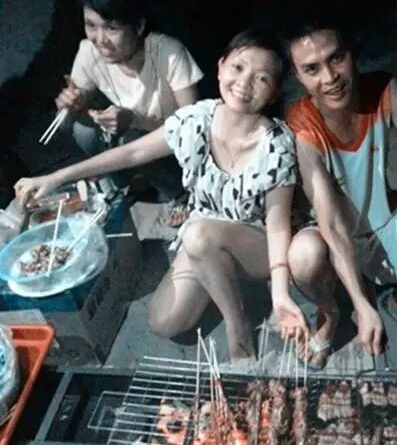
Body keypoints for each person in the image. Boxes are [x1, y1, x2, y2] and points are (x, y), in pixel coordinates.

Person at [15, 27, 310, 362]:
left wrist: (281, 295)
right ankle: (218, 274)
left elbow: (277, 226)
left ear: (273, 93)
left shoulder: (276, 144)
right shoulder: (196, 119)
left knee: (198, 234)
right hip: (206, 240)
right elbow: (132, 153)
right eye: (238, 68)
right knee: (165, 322)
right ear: (220, 67)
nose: (244, 83)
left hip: (259, 245)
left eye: (262, 78)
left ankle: (237, 327)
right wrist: (54, 178)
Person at [283, 17, 397, 367]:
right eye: (312, 69)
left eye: (336, 58)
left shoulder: (385, 90)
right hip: (332, 239)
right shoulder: (303, 125)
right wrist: (361, 304)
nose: (330, 77)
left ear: (353, 53)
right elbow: (331, 224)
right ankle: (330, 312)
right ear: (298, 76)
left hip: (384, 221)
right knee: (303, 255)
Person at [55, 0, 204, 225]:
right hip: (132, 150)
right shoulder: (89, 52)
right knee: (83, 128)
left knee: (130, 136)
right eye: (91, 25)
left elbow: (195, 130)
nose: (100, 40)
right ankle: (129, 183)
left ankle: (179, 192)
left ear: (139, 26)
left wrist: (135, 119)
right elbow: (63, 128)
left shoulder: (168, 53)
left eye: (111, 28)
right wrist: (68, 108)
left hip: (177, 154)